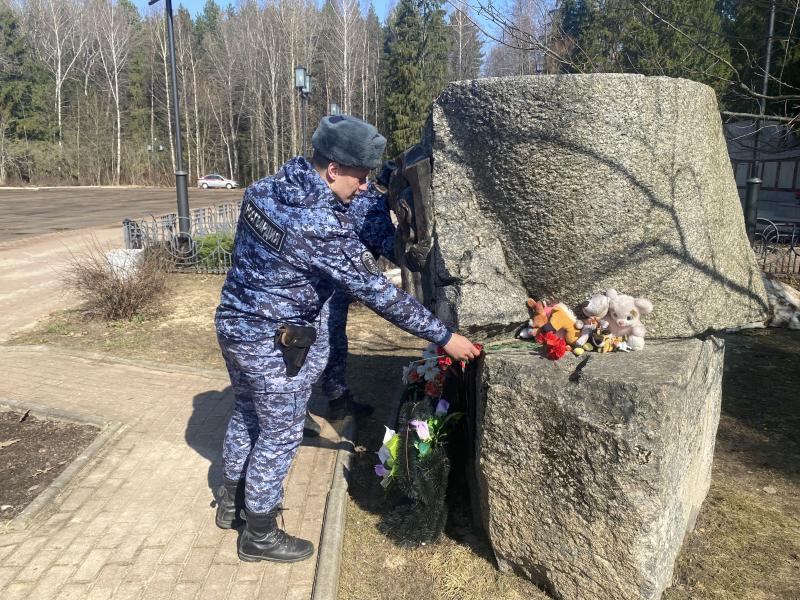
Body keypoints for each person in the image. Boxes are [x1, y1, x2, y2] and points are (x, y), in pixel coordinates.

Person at [214, 114, 480, 564]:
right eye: (359, 178)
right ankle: (258, 532)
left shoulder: (264, 189)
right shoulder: (319, 225)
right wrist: (444, 336)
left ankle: (230, 503)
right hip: (276, 344)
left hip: (233, 328)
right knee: (278, 435)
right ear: (333, 169)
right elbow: (378, 294)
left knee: (246, 415)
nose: (363, 189)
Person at [303, 174, 397, 436]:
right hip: (326, 290)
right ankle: (294, 413)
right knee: (318, 350)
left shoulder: (367, 199)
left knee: (334, 342)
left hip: (333, 288)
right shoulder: (370, 205)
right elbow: (393, 249)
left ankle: (338, 401)